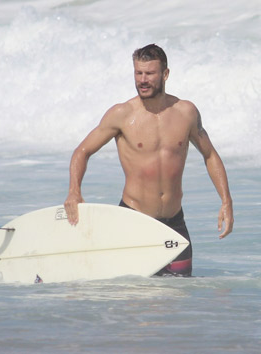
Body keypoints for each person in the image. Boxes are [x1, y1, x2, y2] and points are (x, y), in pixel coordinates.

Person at [63, 44, 233, 276]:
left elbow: (210, 154)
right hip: (134, 222)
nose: (143, 80)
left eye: (150, 74)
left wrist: (226, 200)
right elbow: (82, 151)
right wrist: (74, 190)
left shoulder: (186, 113)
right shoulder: (122, 114)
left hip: (175, 223)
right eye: (138, 73)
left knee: (179, 298)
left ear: (165, 74)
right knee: (134, 301)